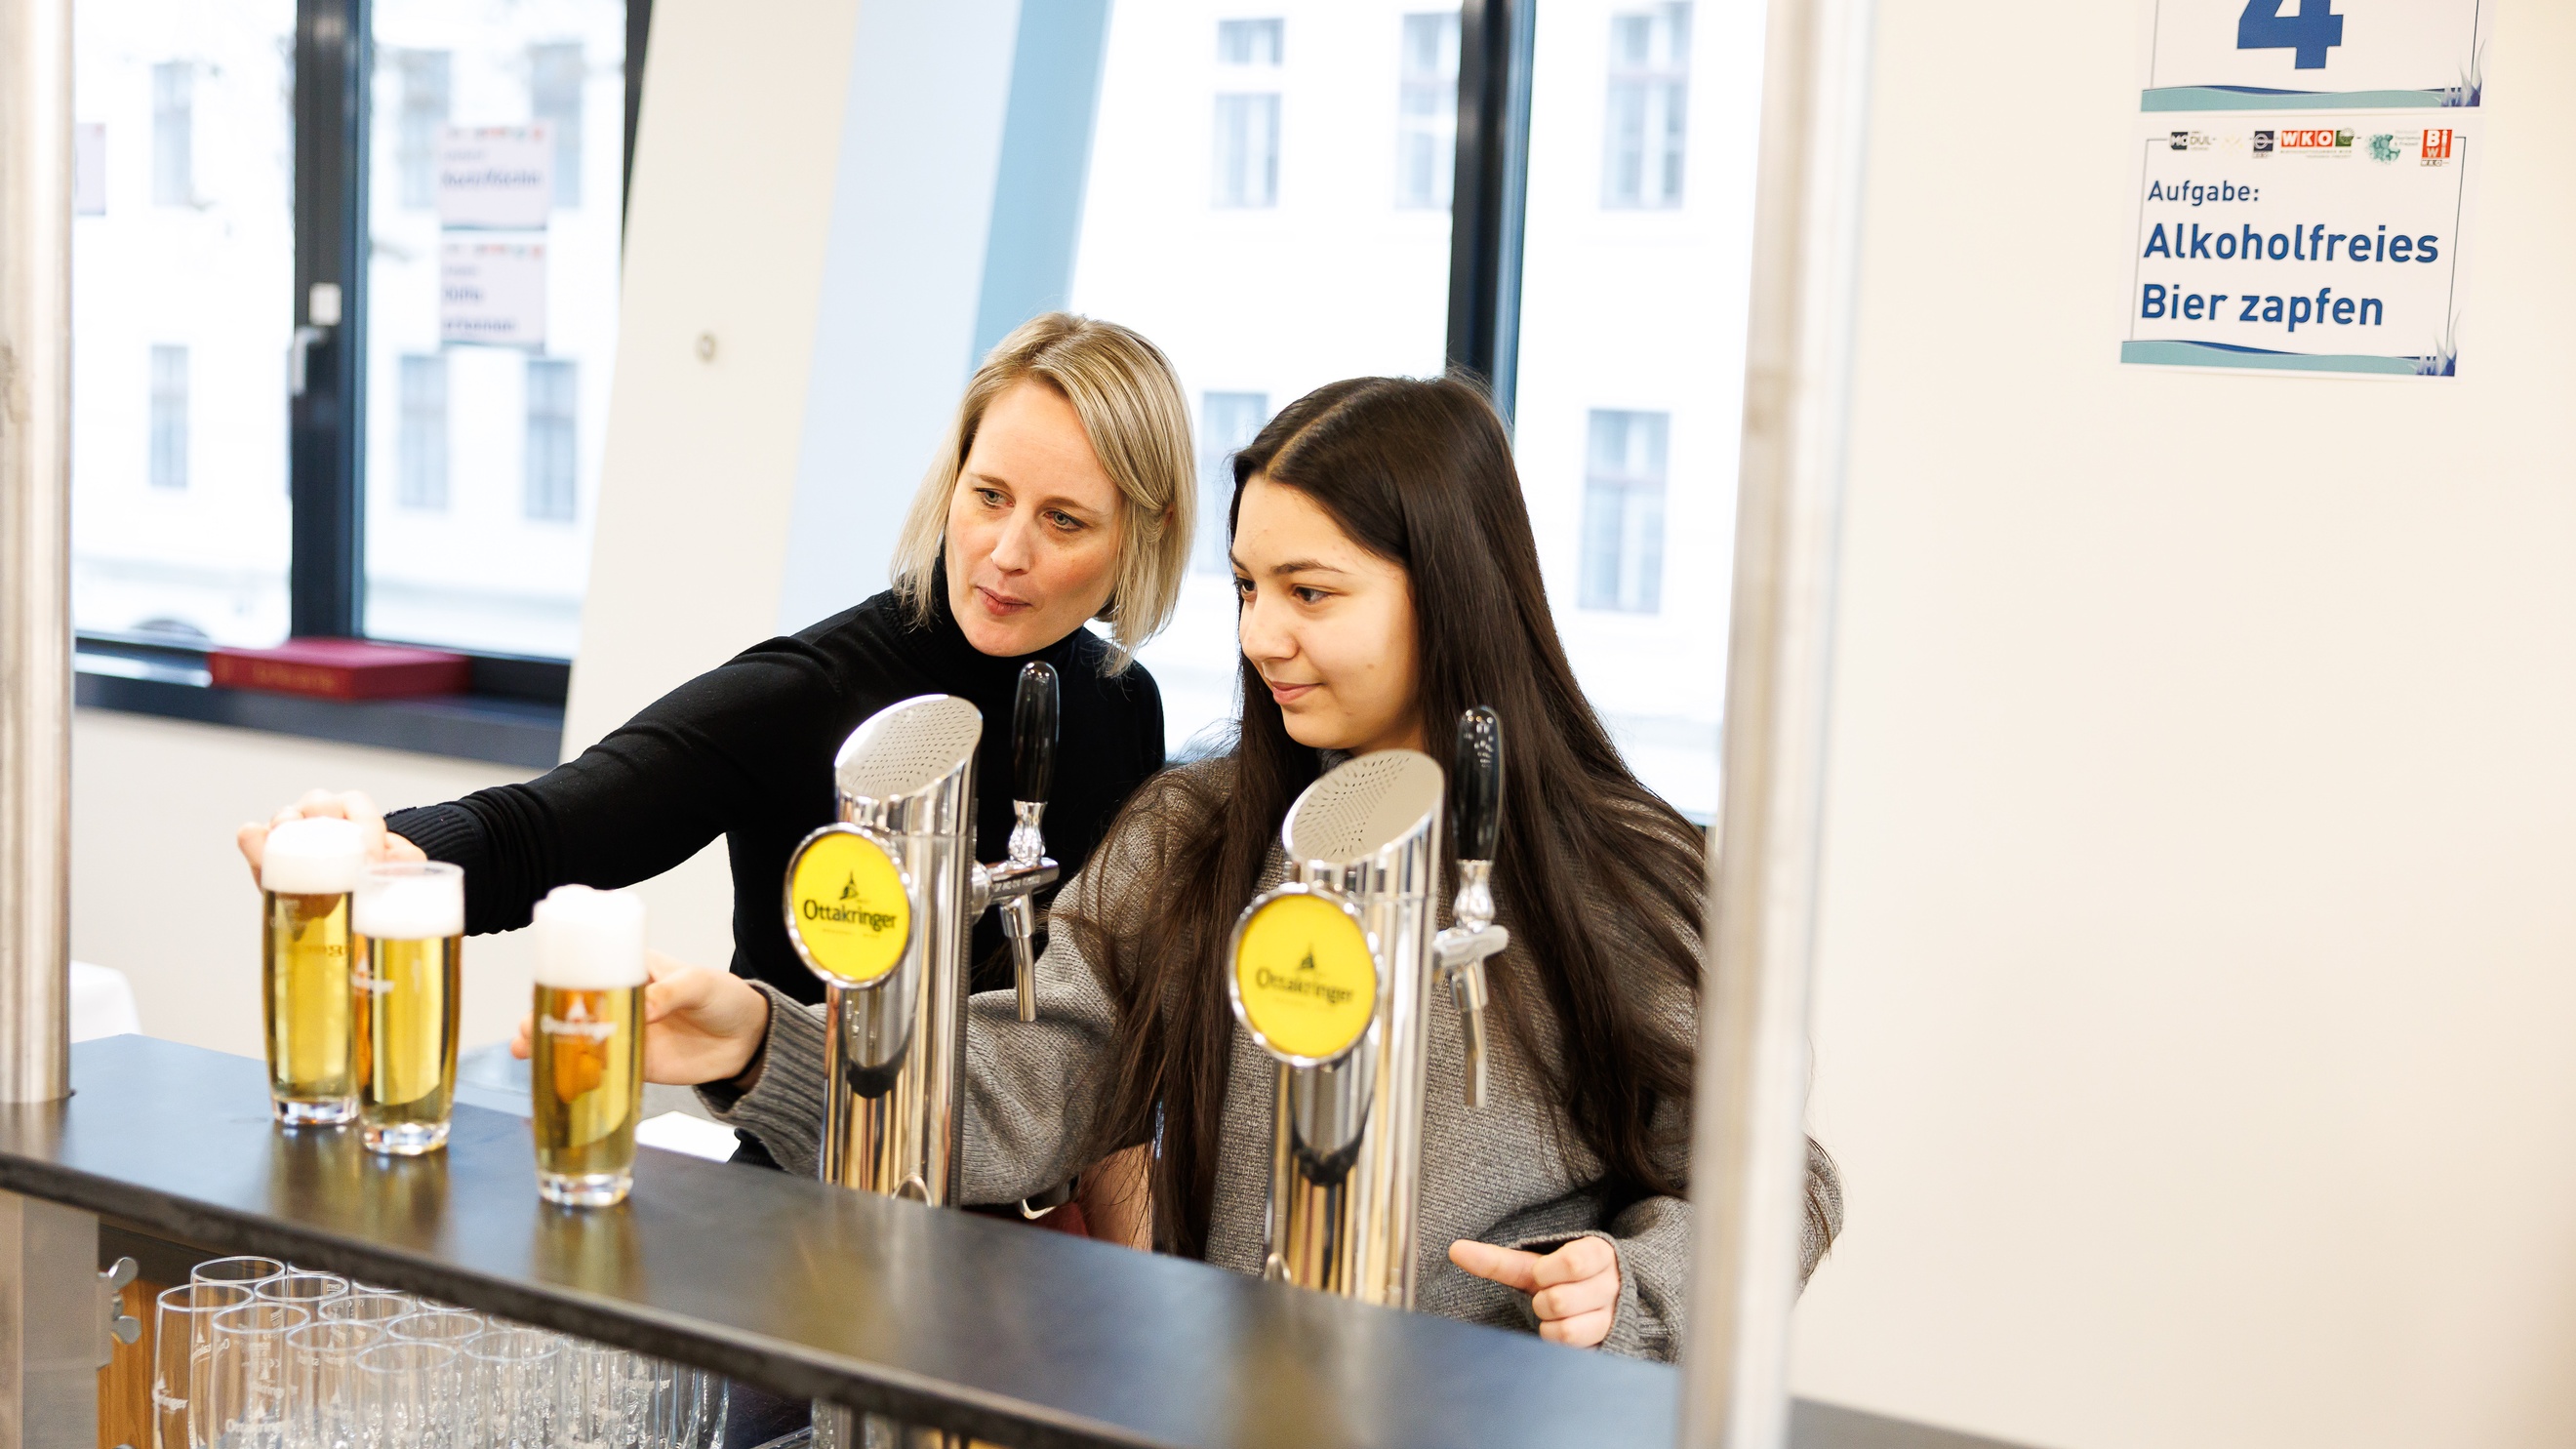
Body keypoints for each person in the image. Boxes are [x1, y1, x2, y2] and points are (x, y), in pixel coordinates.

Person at [611, 374, 1842, 1361]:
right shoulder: (1192, 835)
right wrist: (759, 1042)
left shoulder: (1624, 877)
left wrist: (1633, 1283)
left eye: (1313, 592)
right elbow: (1036, 1087)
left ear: (1455, 596)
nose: (1263, 637)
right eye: (1250, 588)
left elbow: (1781, 1182)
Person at [236, 312, 1196, 1145]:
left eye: (1064, 521)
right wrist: (389, 853)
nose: (1006, 550)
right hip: (810, 1195)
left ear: (1136, 542)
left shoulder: (1123, 705)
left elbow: (1107, 1038)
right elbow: (555, 825)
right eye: (988, 497)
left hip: (1018, 1225)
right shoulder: (811, 690)